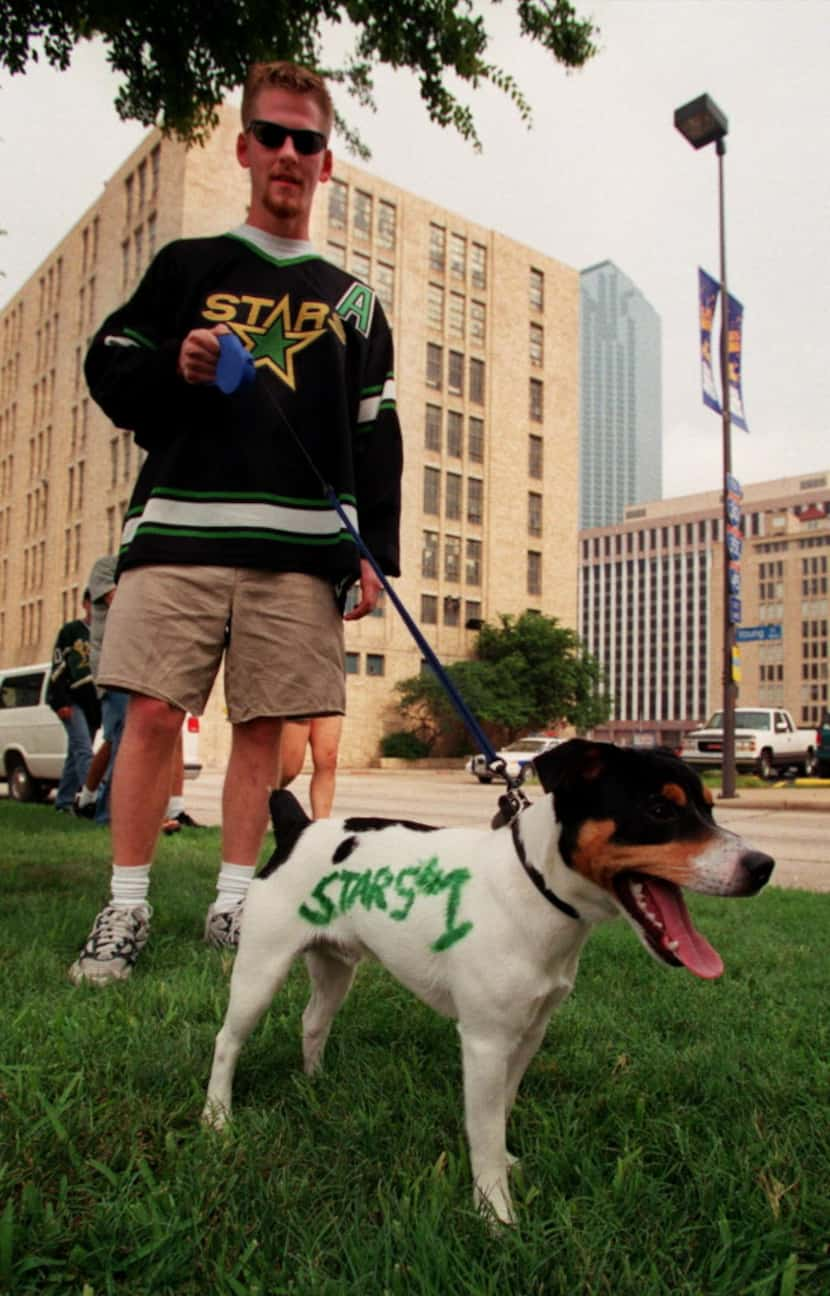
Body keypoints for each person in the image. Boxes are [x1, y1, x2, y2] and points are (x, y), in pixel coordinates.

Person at [69, 60, 402, 986]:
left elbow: (379, 433)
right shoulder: (188, 267)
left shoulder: (355, 301)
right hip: (178, 534)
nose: (291, 155)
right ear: (246, 147)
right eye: (276, 135)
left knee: (264, 731)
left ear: (326, 164)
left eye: (309, 141)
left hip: (300, 555)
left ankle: (234, 901)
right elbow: (110, 367)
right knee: (146, 714)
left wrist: (375, 552)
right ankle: (125, 908)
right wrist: (174, 362)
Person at [47, 591, 100, 812]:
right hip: (72, 700)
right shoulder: (71, 632)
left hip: (94, 704)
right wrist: (61, 702)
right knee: (84, 751)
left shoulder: (104, 634)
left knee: (75, 752)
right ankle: (93, 800)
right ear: (85, 604)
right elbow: (58, 667)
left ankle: (63, 802)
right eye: (93, 603)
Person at [279, 714, 343, 819]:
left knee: (328, 758)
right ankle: (256, 800)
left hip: (327, 699)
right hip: (297, 700)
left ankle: (321, 824)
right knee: (290, 768)